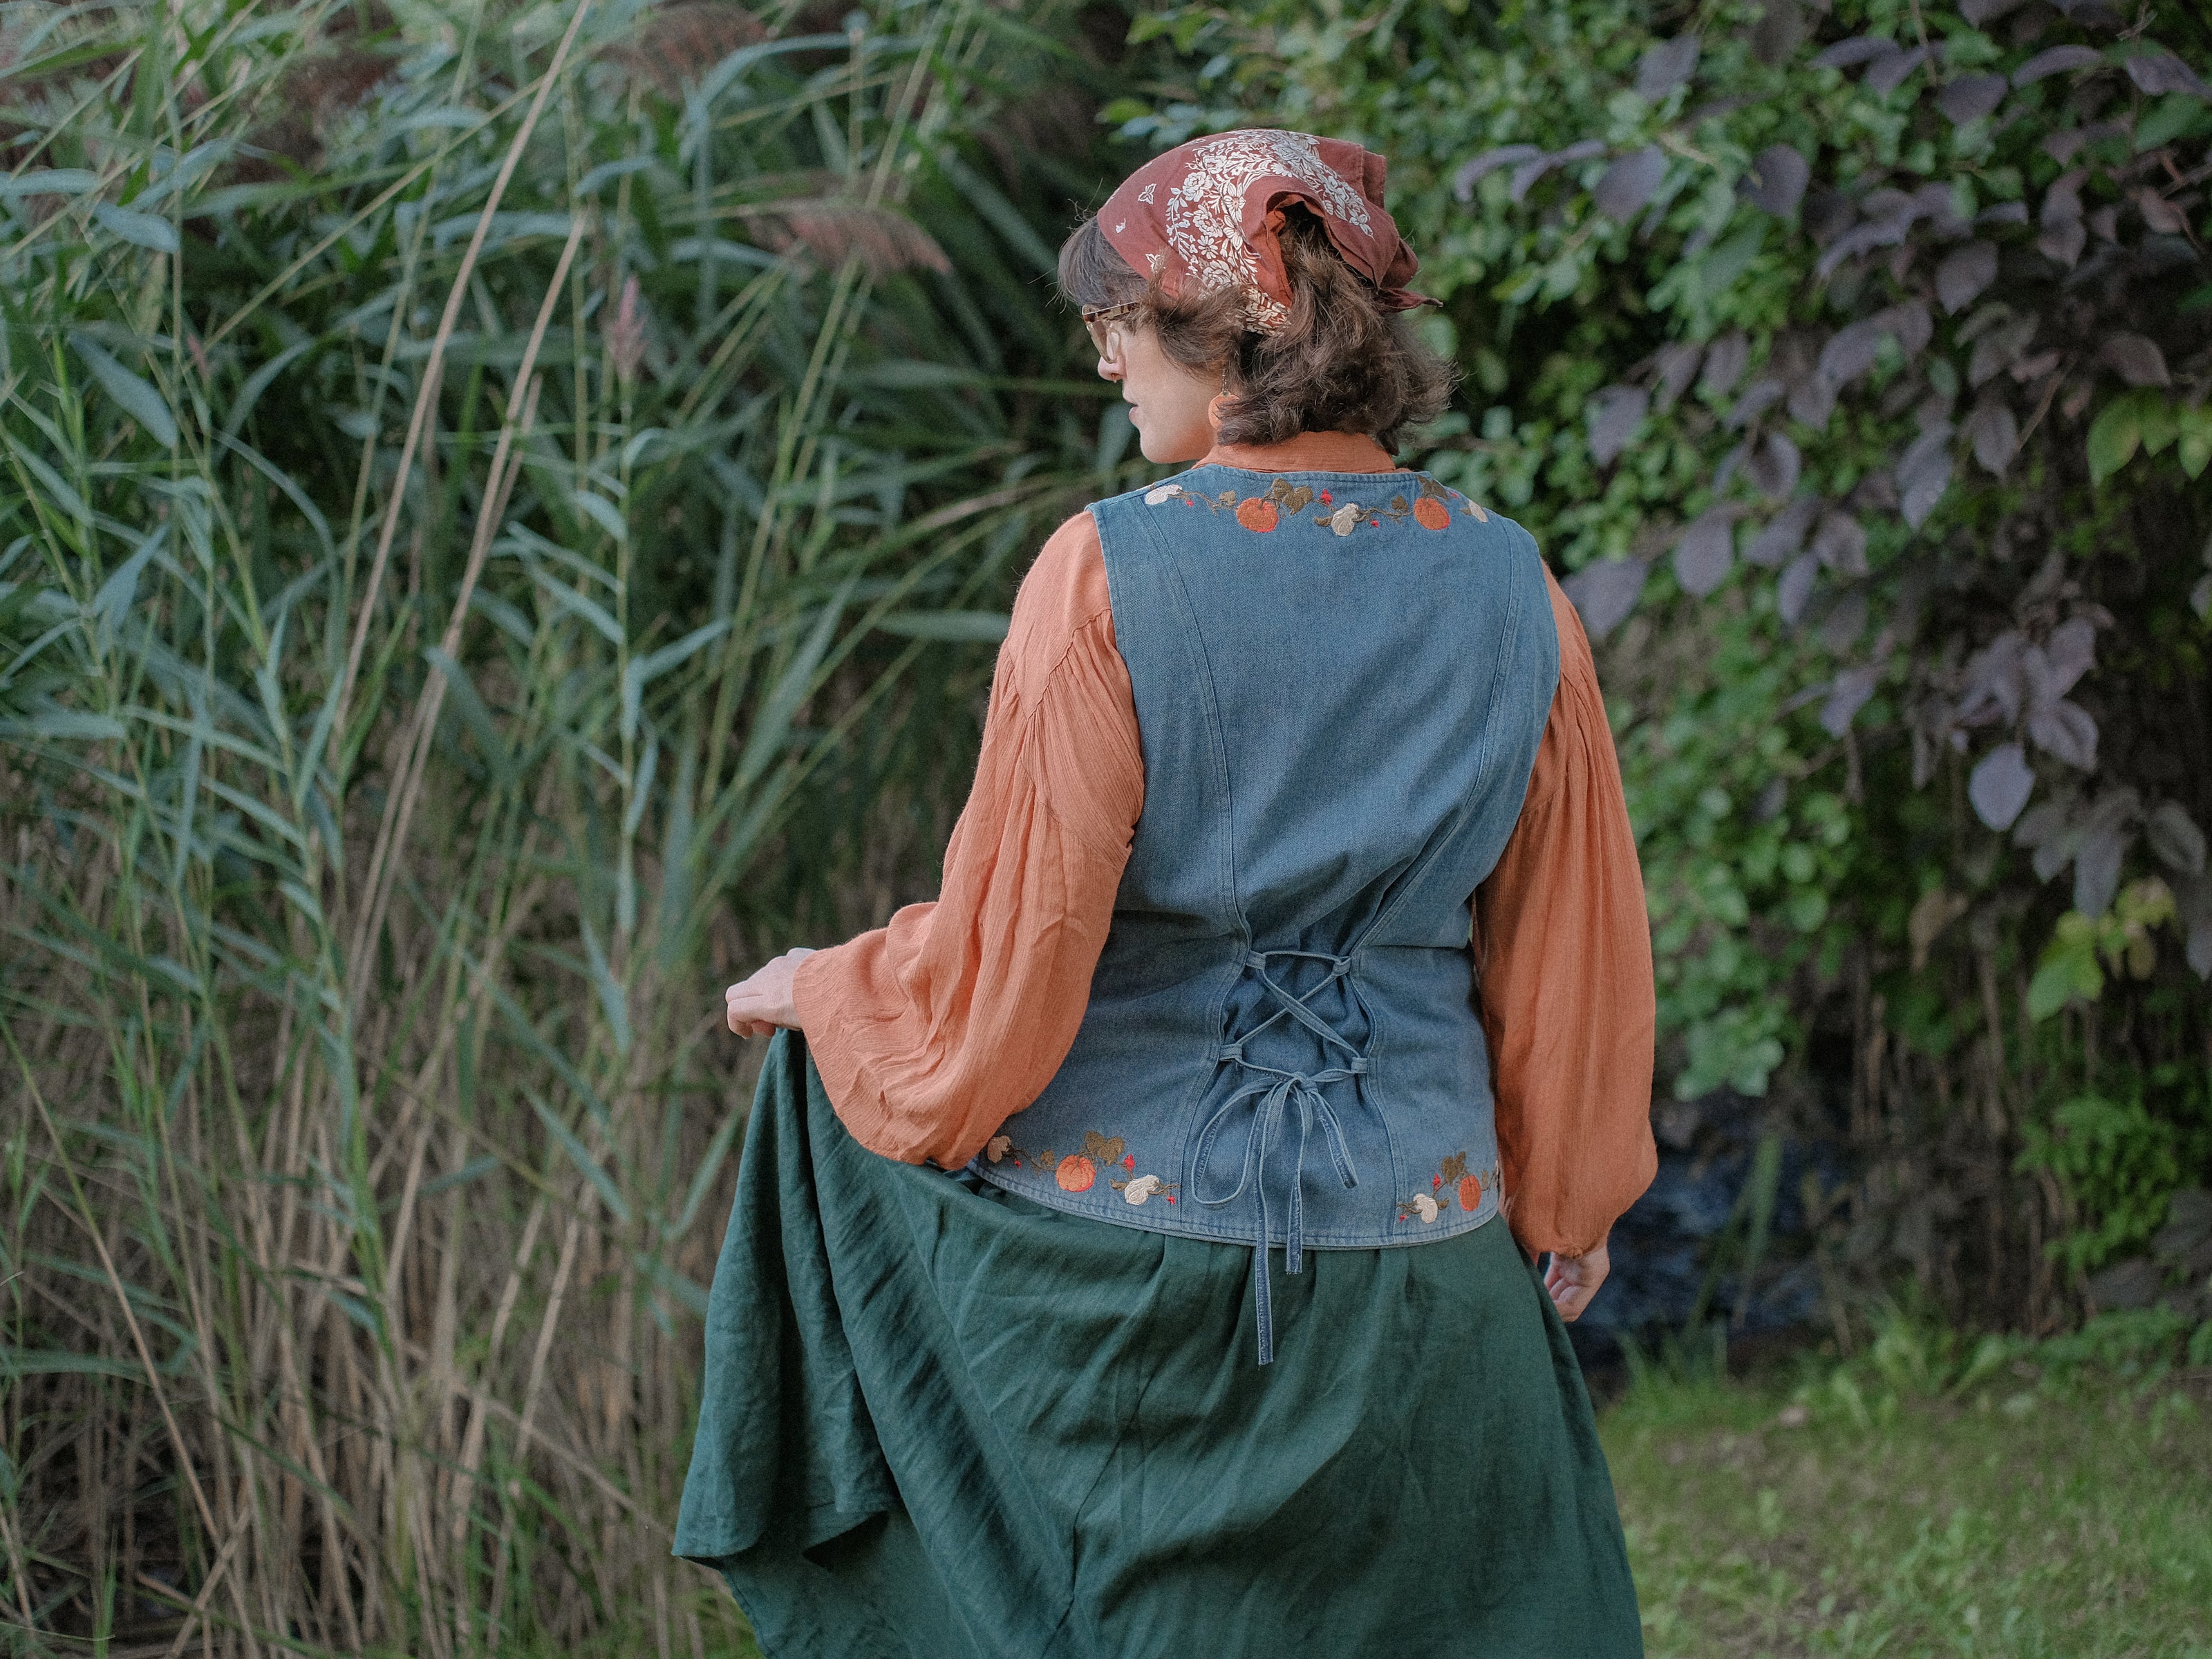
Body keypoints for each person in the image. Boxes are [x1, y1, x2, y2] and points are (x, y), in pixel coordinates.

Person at [677, 128, 1658, 1657]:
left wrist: (825, 986)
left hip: (1142, 1301)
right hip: (1435, 1267)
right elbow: (1566, 952)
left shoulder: (1102, 574)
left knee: (822, 1098)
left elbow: (1000, 999)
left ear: (1224, 339)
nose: (1105, 369)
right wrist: (1570, 1201)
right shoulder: (1514, 584)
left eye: (1119, 328)